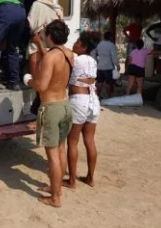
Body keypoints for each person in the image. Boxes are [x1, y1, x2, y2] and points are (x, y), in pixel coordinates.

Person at [24, 20, 74, 208]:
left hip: (50, 108)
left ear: (51, 36)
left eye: (45, 35)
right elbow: (52, 63)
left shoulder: (49, 57)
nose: (43, 37)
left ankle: (56, 198)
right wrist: (40, 44)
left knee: (52, 154)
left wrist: (29, 80)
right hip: (64, 105)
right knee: (60, 149)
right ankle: (56, 188)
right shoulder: (68, 54)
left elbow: (42, 86)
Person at [65, 32, 100, 189]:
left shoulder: (76, 60)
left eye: (78, 42)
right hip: (93, 101)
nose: (75, 43)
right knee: (90, 141)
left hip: (79, 101)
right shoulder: (93, 60)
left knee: (72, 142)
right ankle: (90, 178)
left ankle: (71, 180)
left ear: (84, 47)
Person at [90, 32, 119, 99]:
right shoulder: (112, 45)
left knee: (99, 81)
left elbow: (93, 52)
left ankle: (97, 96)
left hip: (100, 66)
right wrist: (117, 65)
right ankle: (109, 97)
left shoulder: (99, 44)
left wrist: (96, 61)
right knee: (108, 82)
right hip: (108, 66)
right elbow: (114, 56)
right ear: (111, 37)